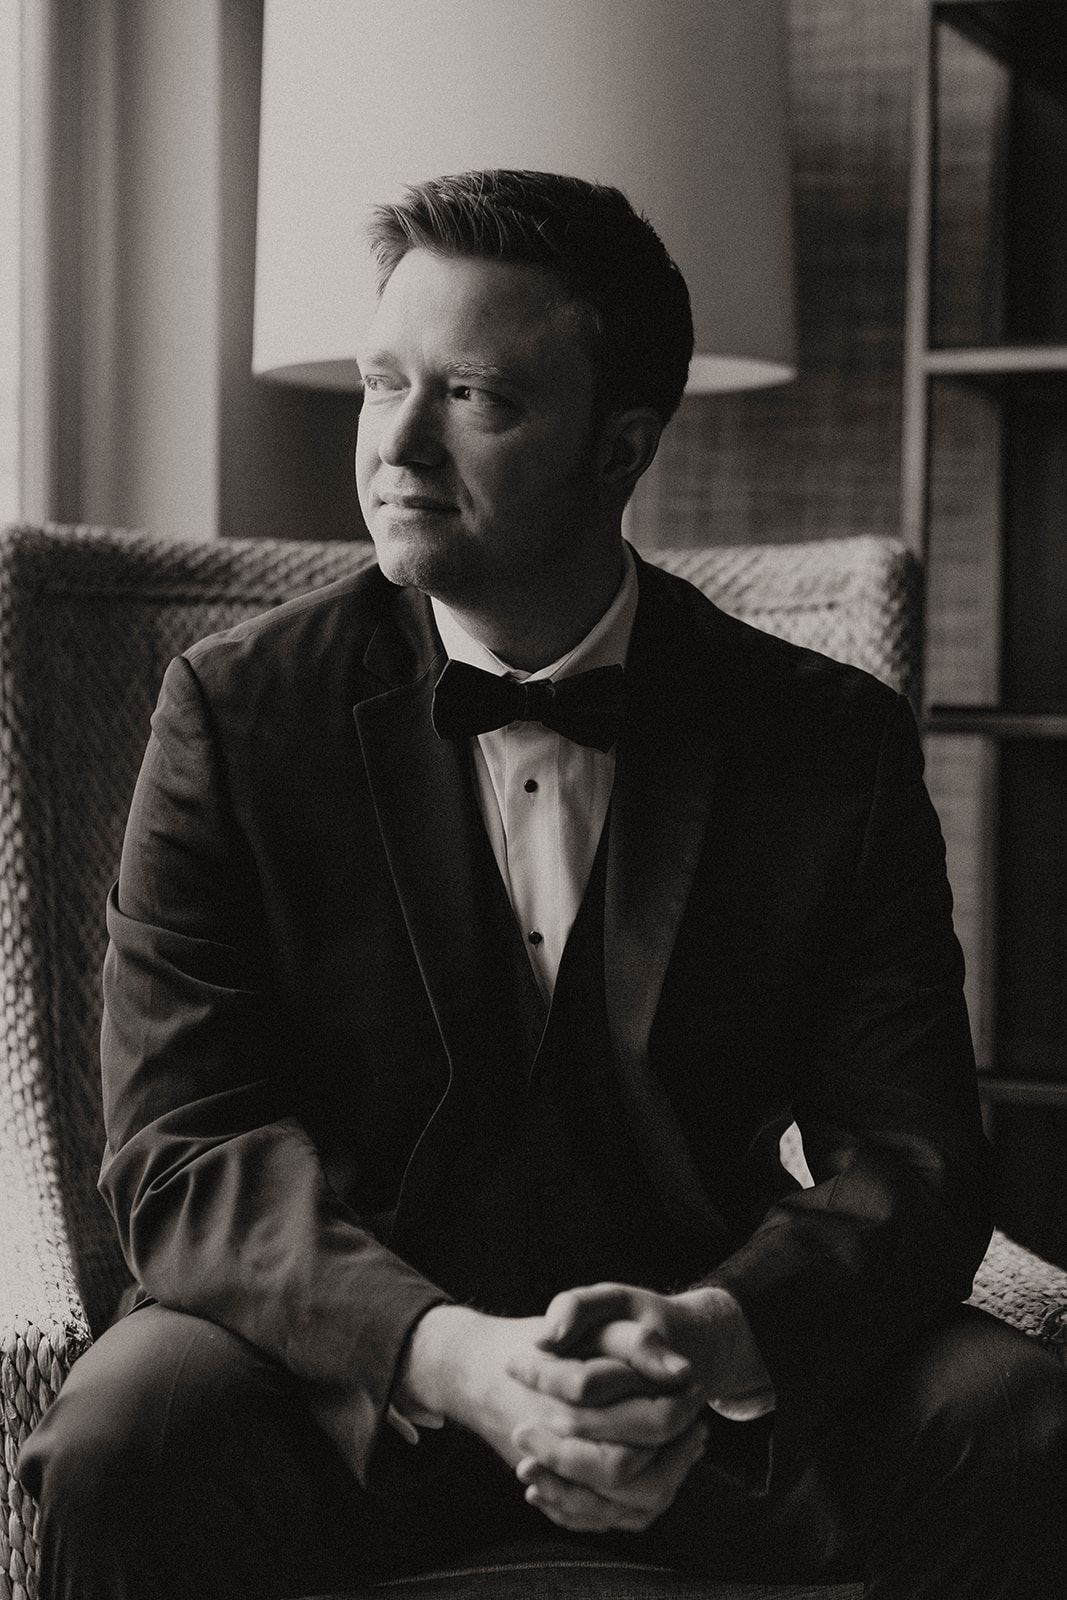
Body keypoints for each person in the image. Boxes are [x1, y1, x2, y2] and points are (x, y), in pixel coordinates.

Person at [17, 169, 1067, 1599]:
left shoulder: (826, 740)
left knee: (1016, 1422)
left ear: (621, 445)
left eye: (476, 402)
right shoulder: (235, 712)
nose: (393, 444)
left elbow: (916, 1158)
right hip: (344, 1413)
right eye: (383, 381)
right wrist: (454, 1355)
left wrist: (711, 1337)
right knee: (124, 1437)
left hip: (707, 1421)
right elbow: (184, 1148)